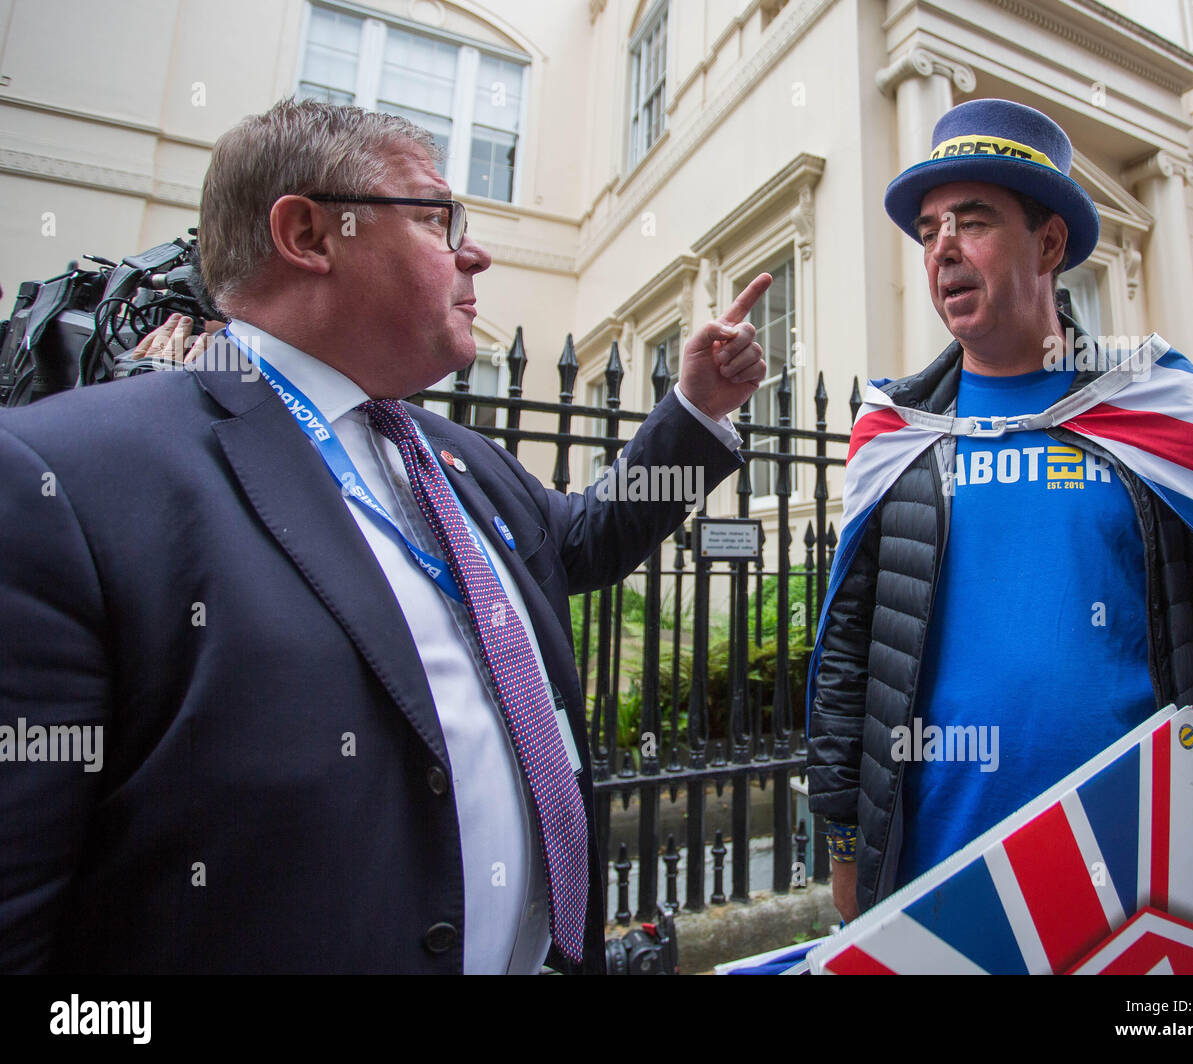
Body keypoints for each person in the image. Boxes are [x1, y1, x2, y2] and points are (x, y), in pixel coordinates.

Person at [0, 99, 770, 974]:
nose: (475, 251)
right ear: (310, 234)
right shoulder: (66, 477)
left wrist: (697, 410)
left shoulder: (456, 458)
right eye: (440, 218)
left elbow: (586, 538)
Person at [806, 98, 1193, 968]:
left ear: (1049, 244)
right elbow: (850, 658)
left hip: (1145, 889)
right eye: (928, 231)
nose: (943, 249)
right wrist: (844, 841)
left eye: (974, 221)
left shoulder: (1162, 411)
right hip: (937, 890)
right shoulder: (894, 436)